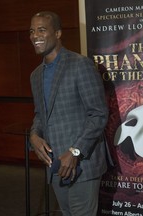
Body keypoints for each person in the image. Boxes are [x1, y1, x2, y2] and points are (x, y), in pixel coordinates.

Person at [29, 11, 109, 216]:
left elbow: (98, 114)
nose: (35, 35)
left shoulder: (80, 64)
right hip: (55, 165)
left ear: (58, 34)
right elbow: (40, 114)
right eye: (32, 31)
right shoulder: (35, 75)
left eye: (41, 29)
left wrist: (74, 152)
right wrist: (34, 135)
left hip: (83, 163)